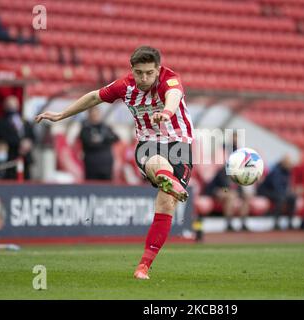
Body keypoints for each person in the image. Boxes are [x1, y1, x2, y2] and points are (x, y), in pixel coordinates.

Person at [35, 46, 194, 280]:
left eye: (149, 73)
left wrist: (167, 113)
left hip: (179, 143)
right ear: (132, 70)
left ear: (158, 70)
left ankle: (144, 265)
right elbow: (93, 97)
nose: (144, 78)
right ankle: (166, 178)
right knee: (156, 162)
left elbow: (173, 97)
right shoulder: (125, 86)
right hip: (148, 142)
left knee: (166, 205)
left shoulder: (170, 80)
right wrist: (60, 115)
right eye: (139, 72)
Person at [0, 95, 35, 180]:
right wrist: (20, 143)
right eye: (10, 104)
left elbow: (32, 135)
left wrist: (28, 143)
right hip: (11, 157)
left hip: (26, 158)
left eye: (14, 104)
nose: (12, 107)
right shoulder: (2, 121)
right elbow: (2, 136)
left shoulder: (24, 120)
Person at [257, 154, 297, 230]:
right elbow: (276, 186)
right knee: (280, 198)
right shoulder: (276, 171)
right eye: (289, 163)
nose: (290, 166)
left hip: (277, 191)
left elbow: (285, 186)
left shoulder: (287, 172)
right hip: (265, 190)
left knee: (292, 198)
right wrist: (285, 193)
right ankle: (276, 222)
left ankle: (290, 222)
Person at [79, 107, 119, 181]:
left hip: (106, 164)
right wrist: (105, 140)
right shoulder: (85, 128)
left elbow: (116, 138)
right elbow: (89, 143)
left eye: (97, 114)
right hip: (92, 165)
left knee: (107, 188)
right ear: (89, 115)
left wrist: (101, 140)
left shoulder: (105, 127)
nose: (95, 116)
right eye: (93, 114)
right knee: (92, 188)